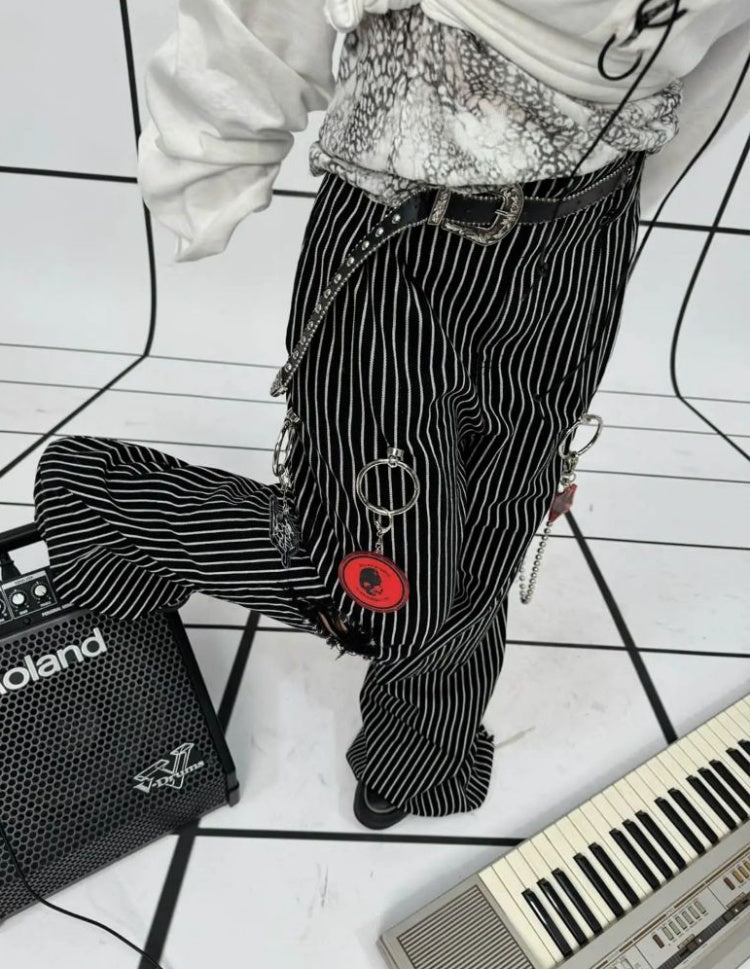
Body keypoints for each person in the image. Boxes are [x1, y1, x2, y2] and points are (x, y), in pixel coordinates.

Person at [33, 1, 750, 829]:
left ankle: (419, 748)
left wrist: (637, 193)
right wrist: (213, 137)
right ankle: (108, 506)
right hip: (409, 224)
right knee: (378, 569)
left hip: (586, 236)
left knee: (499, 516)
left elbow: (726, 43)